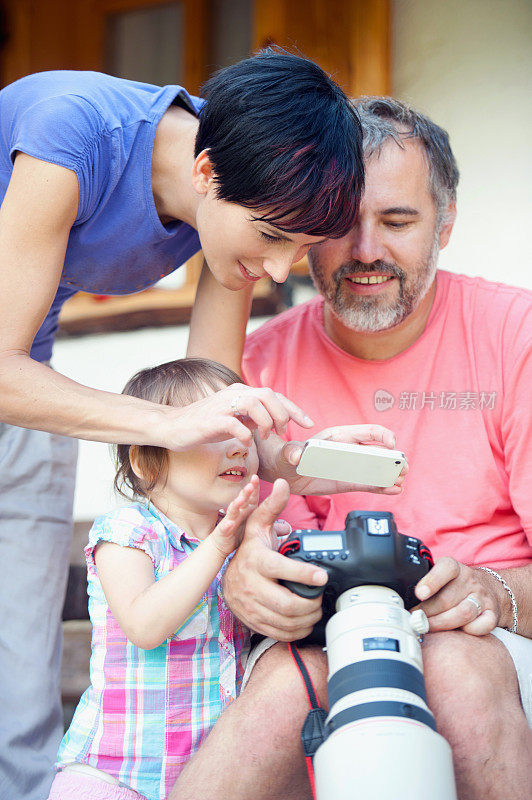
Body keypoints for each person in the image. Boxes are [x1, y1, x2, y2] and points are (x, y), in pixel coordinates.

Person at [0, 49, 366, 799]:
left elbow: (206, 405)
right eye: (271, 237)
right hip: (11, 371)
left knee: (21, 684)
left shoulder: (235, 177)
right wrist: (167, 427)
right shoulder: (69, 136)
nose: (276, 271)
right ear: (204, 175)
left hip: (29, 387)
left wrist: (290, 461)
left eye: (298, 249)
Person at [173, 98, 532, 800]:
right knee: (284, 687)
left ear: (446, 223)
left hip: (488, 641)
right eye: (339, 226)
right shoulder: (260, 362)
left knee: (458, 666)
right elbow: (220, 543)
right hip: (319, 641)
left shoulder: (516, 336)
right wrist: (243, 582)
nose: (366, 250)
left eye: (397, 221)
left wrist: (495, 593)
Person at [45, 357, 403, 800]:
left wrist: (319, 464)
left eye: (246, 434)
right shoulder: (128, 532)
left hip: (210, 773)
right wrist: (219, 545)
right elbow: (143, 625)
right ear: (145, 461)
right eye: (216, 435)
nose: (239, 448)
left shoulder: (250, 533)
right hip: (114, 772)